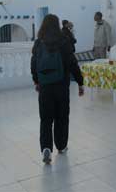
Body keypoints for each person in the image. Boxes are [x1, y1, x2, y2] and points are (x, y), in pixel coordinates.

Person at [31, 14, 84, 164]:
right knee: (62, 117)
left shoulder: (38, 43)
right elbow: (73, 63)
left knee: (46, 119)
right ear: (57, 25)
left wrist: (36, 81)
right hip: (61, 85)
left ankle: (46, 148)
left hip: (45, 87)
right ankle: (61, 146)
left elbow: (33, 64)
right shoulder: (63, 41)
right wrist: (80, 82)